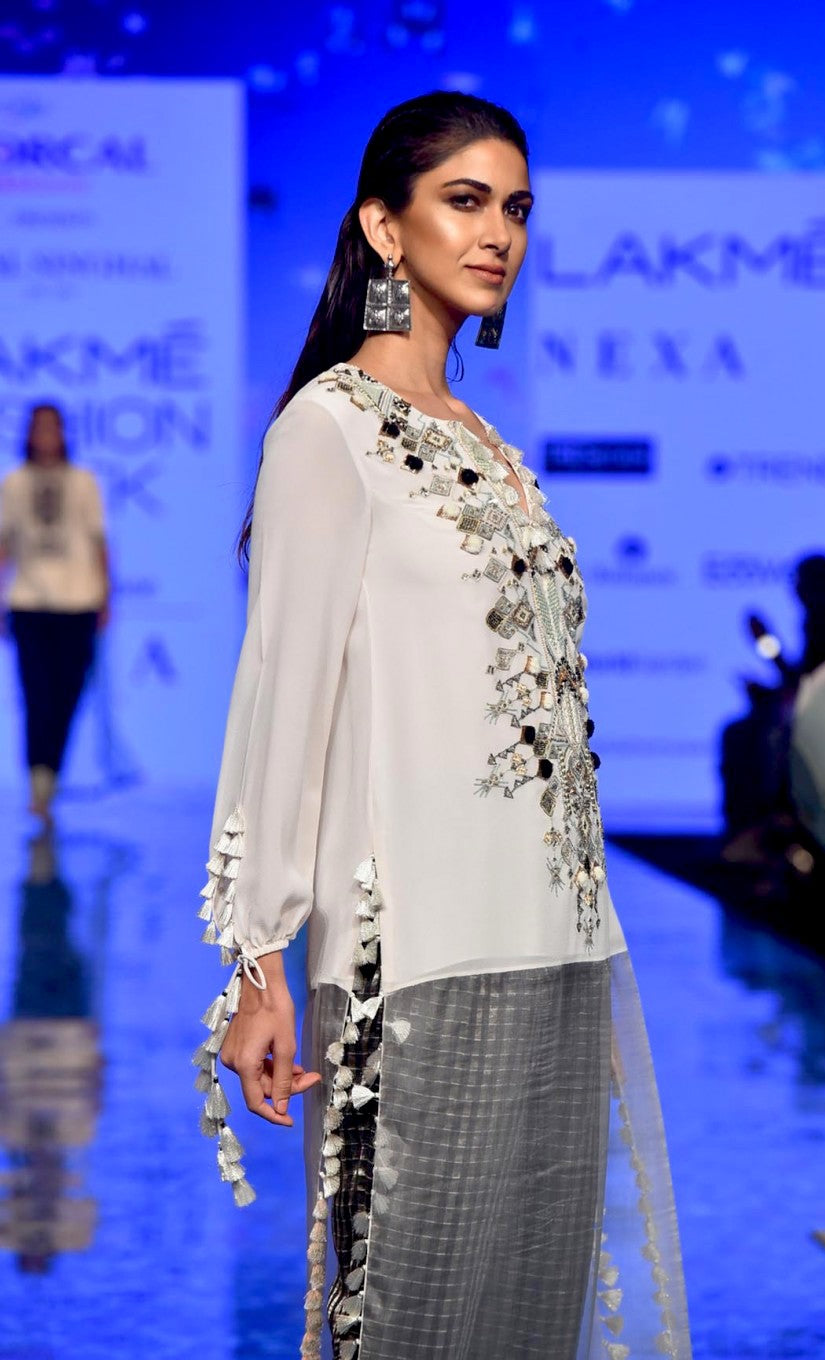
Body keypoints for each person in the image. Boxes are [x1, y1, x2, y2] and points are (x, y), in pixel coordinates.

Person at [195, 92, 691, 1359]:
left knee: (528, 1315)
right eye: (464, 201)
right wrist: (258, 961)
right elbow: (283, 695)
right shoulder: (329, 431)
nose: (498, 233)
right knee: (408, 1317)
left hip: (557, 939)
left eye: (514, 207)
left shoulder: (494, 448)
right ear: (383, 226)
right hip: (411, 956)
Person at [0, 404, 109, 823]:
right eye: (39, 428)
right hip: (28, 601)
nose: (46, 435)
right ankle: (38, 784)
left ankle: (51, 776)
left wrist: (105, 597)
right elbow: (5, 543)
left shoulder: (84, 481)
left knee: (66, 696)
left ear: (63, 433)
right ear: (29, 433)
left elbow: (98, 541)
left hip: (78, 601)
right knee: (35, 695)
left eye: (52, 428)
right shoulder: (14, 482)